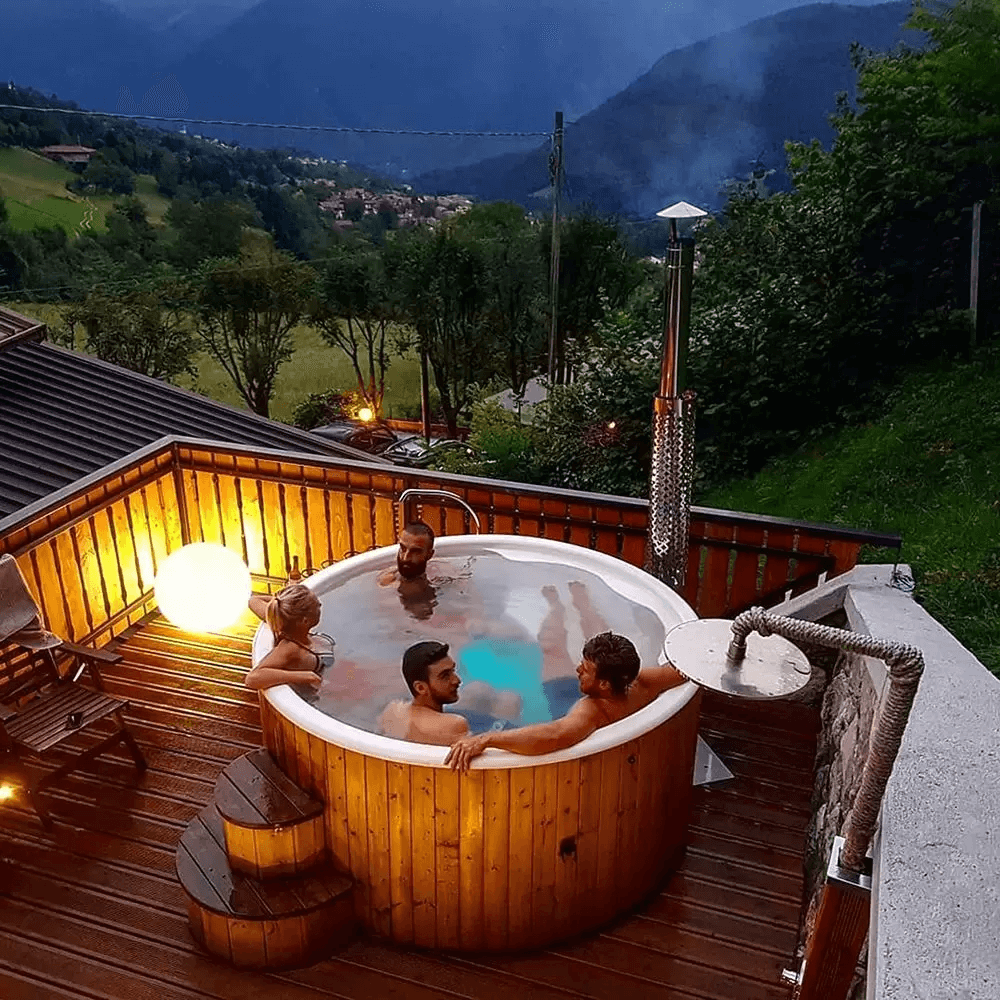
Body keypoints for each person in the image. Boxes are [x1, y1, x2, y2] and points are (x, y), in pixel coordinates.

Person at [444, 631, 686, 771]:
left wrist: (486, 739)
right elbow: (685, 670)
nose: (578, 669)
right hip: (633, 750)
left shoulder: (593, 710)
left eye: (586, 669)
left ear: (604, 684)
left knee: (487, 699)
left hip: (574, 738)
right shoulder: (643, 682)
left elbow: (554, 735)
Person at [376, 640, 469, 745]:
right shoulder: (454, 725)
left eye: (453, 671)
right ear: (420, 688)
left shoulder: (391, 714)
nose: (456, 680)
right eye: (445, 676)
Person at [244, 584, 335, 692]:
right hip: (321, 689)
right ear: (305, 621)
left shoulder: (283, 619)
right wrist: (307, 676)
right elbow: (251, 679)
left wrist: (284, 604)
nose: (320, 604)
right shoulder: (291, 648)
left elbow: (253, 600)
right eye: (316, 606)